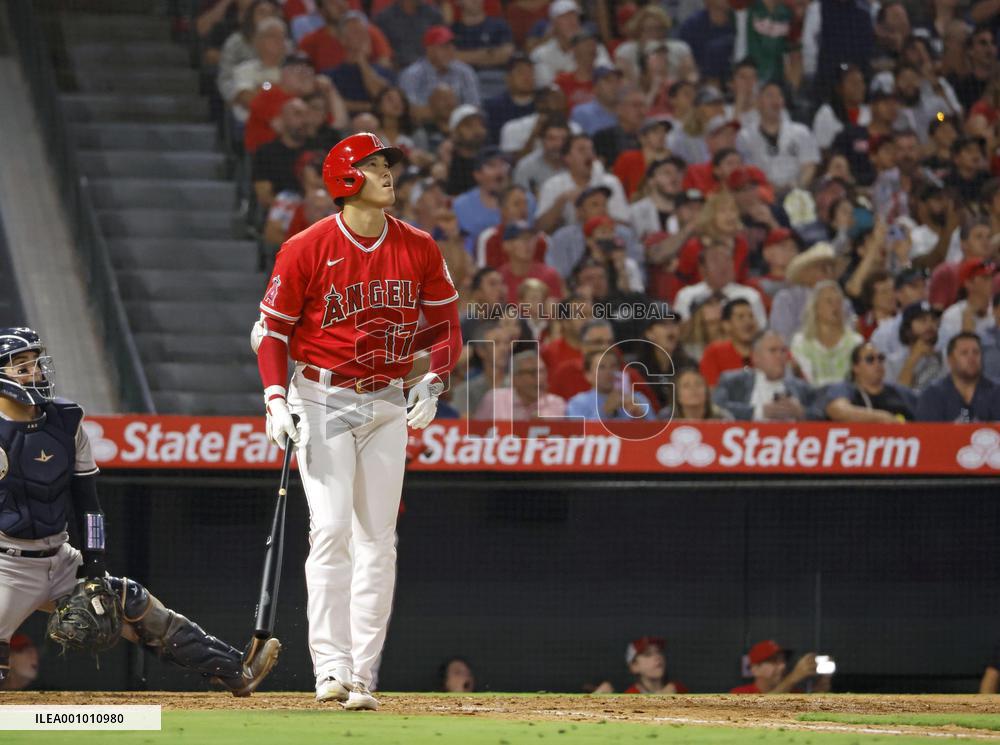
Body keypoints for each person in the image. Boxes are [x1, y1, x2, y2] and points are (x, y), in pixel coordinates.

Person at [253, 133, 463, 710]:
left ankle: (364, 677)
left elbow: (448, 327)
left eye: (387, 164)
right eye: (373, 166)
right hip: (321, 397)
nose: (387, 173)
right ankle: (332, 669)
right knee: (331, 531)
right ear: (346, 179)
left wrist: (434, 381)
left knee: (379, 540)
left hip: (388, 400)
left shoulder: (418, 245)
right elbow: (270, 332)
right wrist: (275, 398)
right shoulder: (306, 246)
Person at [0, 328, 281, 695]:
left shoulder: (66, 422)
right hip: (8, 566)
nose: (34, 372)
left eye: (35, 363)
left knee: (131, 602)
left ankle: (235, 671)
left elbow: (89, 506)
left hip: (60, 557)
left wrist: (94, 568)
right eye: (22, 366)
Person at [736, 82, 820, 194]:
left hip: (796, 194)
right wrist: (768, 188)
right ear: (758, 102)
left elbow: (809, 165)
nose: (775, 101)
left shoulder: (801, 132)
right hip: (761, 194)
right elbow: (746, 170)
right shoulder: (745, 137)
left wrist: (798, 186)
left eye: (779, 96)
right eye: (770, 96)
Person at [712, 329, 813, 421]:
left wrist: (802, 413)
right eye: (773, 350)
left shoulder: (800, 387)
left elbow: (820, 412)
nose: (780, 356)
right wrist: (759, 412)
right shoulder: (733, 381)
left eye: (783, 351)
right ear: (756, 357)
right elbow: (716, 407)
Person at [673, 242, 767, 331]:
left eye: (727, 259)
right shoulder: (686, 296)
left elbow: (761, 332)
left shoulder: (751, 296)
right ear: (702, 269)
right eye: (716, 260)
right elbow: (679, 330)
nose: (723, 265)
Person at [400, 26, 481, 123]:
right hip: (424, 126)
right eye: (444, 46)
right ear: (429, 49)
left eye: (452, 45)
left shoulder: (465, 72)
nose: (451, 50)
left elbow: (474, 108)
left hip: (460, 126)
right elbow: (412, 110)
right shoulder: (412, 74)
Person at [820, 341, 917, 422]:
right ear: (855, 367)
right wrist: (880, 417)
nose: (877, 363)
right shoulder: (845, 389)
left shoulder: (900, 392)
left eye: (881, 358)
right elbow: (837, 410)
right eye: (870, 359)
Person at [791, 280, 864, 386]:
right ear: (816, 307)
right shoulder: (800, 343)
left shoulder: (856, 342)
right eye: (829, 301)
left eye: (839, 302)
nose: (835, 306)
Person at [917, 332, 1000, 422]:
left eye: (976, 352)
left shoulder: (996, 392)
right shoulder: (932, 396)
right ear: (950, 360)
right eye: (964, 353)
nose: (972, 358)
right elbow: (928, 433)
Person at [565, 349, 656, 421]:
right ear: (588, 375)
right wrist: (605, 412)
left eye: (613, 366)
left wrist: (641, 416)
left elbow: (656, 433)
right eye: (602, 367)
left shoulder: (638, 399)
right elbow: (578, 437)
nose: (609, 372)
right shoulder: (578, 403)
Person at [474, 350, 567, 420]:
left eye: (542, 371)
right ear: (514, 378)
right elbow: (477, 432)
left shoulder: (556, 404)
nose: (540, 378)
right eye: (532, 372)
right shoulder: (494, 400)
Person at [937, 259, 998, 355]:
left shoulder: (997, 309)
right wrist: (966, 333)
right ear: (968, 284)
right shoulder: (952, 316)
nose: (991, 282)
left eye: (992, 277)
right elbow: (945, 357)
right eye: (985, 278)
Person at [730, 640, 832, 694]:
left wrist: (819, 692)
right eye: (774, 661)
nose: (783, 666)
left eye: (783, 660)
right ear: (755, 669)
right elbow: (762, 709)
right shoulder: (739, 694)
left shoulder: (794, 693)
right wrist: (793, 677)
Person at [884, 301, 944, 393]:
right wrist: (913, 359)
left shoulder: (946, 359)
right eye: (922, 320)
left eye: (933, 320)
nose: (930, 325)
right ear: (907, 328)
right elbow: (897, 399)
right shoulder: (891, 362)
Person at [699, 298, 758, 387]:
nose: (748, 322)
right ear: (727, 325)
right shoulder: (714, 352)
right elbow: (711, 390)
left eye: (751, 316)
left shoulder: (767, 349)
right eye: (740, 317)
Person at [622, 636, 689, 695]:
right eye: (648, 654)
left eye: (659, 652)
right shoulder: (630, 695)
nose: (657, 656)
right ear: (634, 666)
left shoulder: (679, 689)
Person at [661, 367, 732, 420]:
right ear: (677, 395)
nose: (693, 389)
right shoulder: (665, 420)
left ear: (707, 392)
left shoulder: (723, 419)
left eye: (698, 384)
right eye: (686, 385)